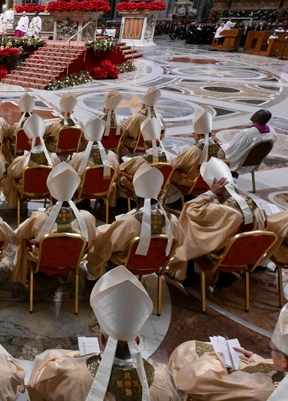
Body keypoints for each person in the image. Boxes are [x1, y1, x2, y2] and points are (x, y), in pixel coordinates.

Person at [28, 267, 177, 400]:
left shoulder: (66, 374)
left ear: (101, 339)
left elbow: (36, 385)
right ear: (136, 341)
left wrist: (73, 358)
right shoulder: (164, 380)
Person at [169, 302, 288, 400]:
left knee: (188, 350)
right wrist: (256, 358)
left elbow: (195, 381)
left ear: (284, 362)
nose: (269, 353)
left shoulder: (258, 389)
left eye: (271, 349)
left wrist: (213, 359)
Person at [173, 157, 265, 281]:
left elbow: (191, 209)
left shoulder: (225, 211)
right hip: (244, 253)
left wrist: (211, 193)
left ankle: (186, 275)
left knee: (192, 232)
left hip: (221, 255)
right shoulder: (252, 202)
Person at [88, 164, 181, 279]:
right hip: (157, 263)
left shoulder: (129, 223)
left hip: (127, 264)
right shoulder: (173, 220)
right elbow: (179, 242)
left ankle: (99, 278)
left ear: (137, 199)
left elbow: (105, 247)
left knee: (100, 239)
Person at [13, 163, 97, 285]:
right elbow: (90, 242)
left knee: (23, 241)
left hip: (41, 259)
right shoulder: (87, 217)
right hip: (74, 259)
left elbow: (19, 234)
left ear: (51, 193)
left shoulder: (40, 217)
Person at [2, 114, 61, 208]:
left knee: (10, 179)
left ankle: (15, 205)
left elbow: (11, 172)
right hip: (47, 189)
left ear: (29, 142)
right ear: (43, 140)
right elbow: (57, 174)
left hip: (26, 189)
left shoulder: (22, 160)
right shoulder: (53, 157)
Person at [168, 109, 225, 196]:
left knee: (169, 170)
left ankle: (172, 198)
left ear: (197, 136)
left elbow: (173, 165)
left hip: (192, 185)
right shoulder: (221, 150)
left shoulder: (193, 151)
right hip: (212, 184)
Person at [68, 117, 120, 204]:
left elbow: (69, 175)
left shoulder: (79, 157)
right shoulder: (113, 155)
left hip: (82, 191)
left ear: (86, 140)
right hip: (105, 190)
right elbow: (116, 175)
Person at [222, 109, 277, 175]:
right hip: (252, 163)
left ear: (256, 118)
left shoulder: (247, 133)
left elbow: (231, 150)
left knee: (212, 150)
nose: (252, 115)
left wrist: (220, 146)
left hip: (237, 163)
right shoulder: (272, 131)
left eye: (254, 114)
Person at [119, 86, 164, 157]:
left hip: (135, 148)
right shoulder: (159, 117)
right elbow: (162, 134)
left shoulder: (137, 117)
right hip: (153, 147)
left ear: (143, 106)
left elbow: (125, 132)